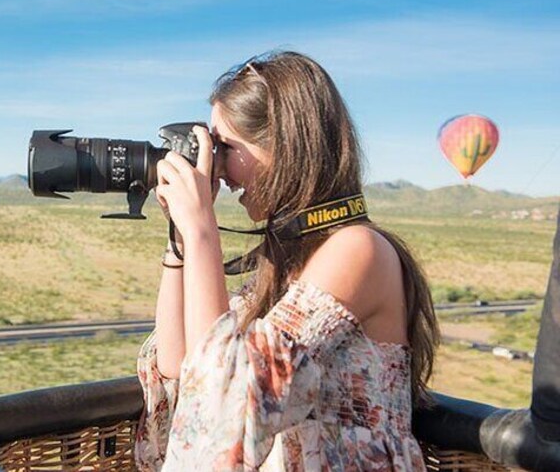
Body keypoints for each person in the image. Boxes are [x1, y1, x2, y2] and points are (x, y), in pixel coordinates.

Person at [134, 51, 440, 471]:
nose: (217, 171)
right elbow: (183, 375)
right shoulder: (286, 261)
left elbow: (224, 408)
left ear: (285, 143)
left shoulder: (357, 250)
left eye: (224, 147)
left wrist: (204, 228)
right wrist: (182, 239)